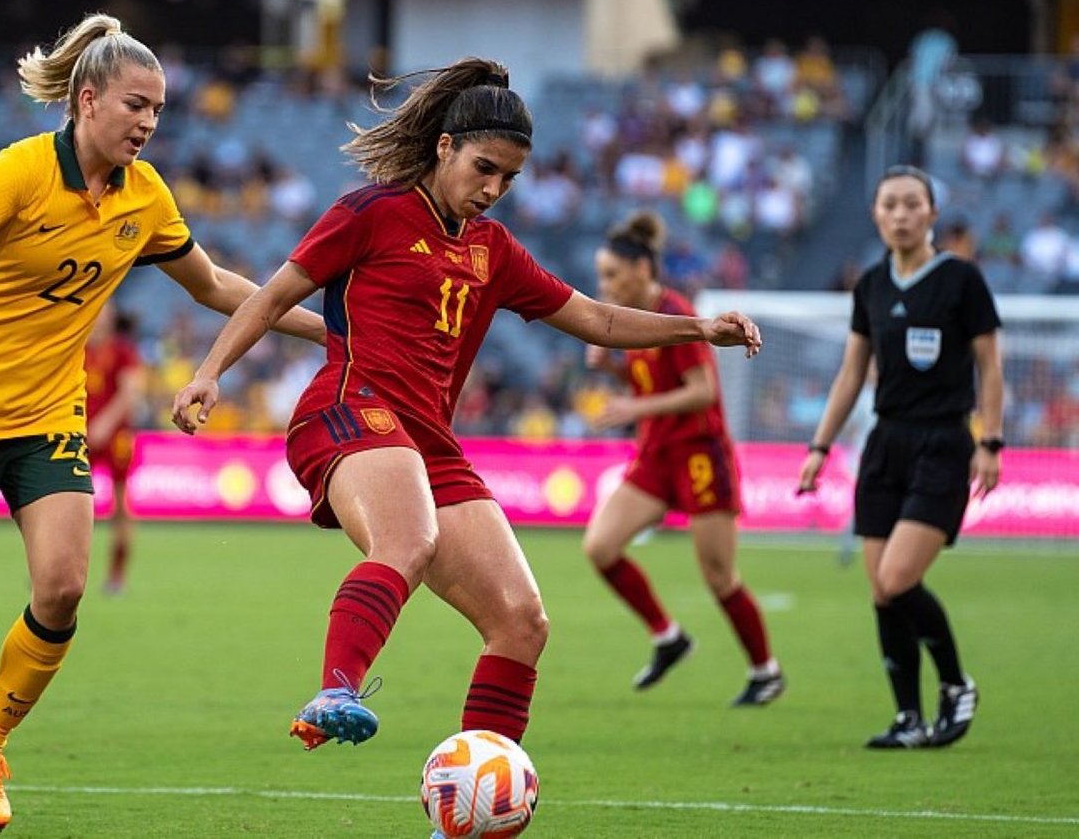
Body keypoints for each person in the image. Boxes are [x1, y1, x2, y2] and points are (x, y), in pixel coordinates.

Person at [170, 58, 762, 760]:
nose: (493, 189)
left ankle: (470, 806)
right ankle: (335, 690)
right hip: (349, 408)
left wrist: (699, 329)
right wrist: (210, 373)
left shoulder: (495, 250)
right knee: (408, 540)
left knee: (521, 620)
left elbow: (598, 321)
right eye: (484, 169)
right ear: (444, 147)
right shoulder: (371, 211)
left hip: (429, 441)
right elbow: (272, 296)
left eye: (508, 179)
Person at [0, 13, 324, 838]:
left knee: (61, 587)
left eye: (158, 109)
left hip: (51, 418)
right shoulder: (18, 172)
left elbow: (221, 287)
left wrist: (327, 328)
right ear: (87, 100)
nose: (150, 122)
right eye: (136, 105)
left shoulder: (146, 195)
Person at [797, 165, 1003, 750]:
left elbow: (991, 366)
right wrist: (820, 445)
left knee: (897, 578)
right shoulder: (870, 285)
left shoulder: (962, 280)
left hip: (943, 442)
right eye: (890, 205)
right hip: (886, 445)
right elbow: (851, 372)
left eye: (913, 204)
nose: (901, 214)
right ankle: (908, 718)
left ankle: (958, 684)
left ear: (933, 213)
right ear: (876, 215)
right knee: (880, 591)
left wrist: (990, 441)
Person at [582, 211, 783, 706]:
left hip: (699, 453)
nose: (604, 286)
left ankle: (765, 670)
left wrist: (633, 406)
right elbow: (650, 382)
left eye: (611, 274)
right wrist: (612, 366)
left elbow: (702, 392)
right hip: (656, 453)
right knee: (600, 547)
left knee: (718, 576)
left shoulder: (675, 312)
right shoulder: (633, 323)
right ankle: (668, 637)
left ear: (643, 270)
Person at [84, 303, 146, 595]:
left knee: (121, 508)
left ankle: (117, 575)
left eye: (104, 314)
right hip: (76, 433)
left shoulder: (122, 351)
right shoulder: (74, 347)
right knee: (65, 504)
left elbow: (130, 393)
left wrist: (104, 425)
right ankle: (54, 571)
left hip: (115, 436)